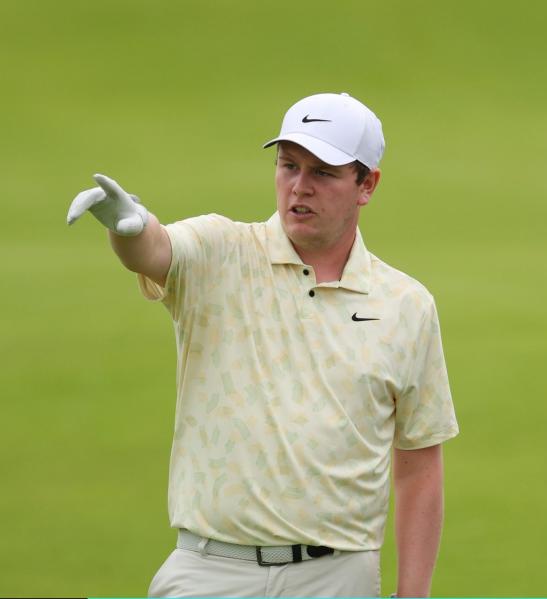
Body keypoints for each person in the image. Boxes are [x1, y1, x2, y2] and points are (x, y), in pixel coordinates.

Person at [67, 92, 459, 598]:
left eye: (323, 172)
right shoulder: (220, 252)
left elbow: (420, 462)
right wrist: (130, 231)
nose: (300, 187)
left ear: (367, 184)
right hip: (209, 572)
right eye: (288, 165)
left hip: (337, 578)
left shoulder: (407, 305)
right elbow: (157, 250)